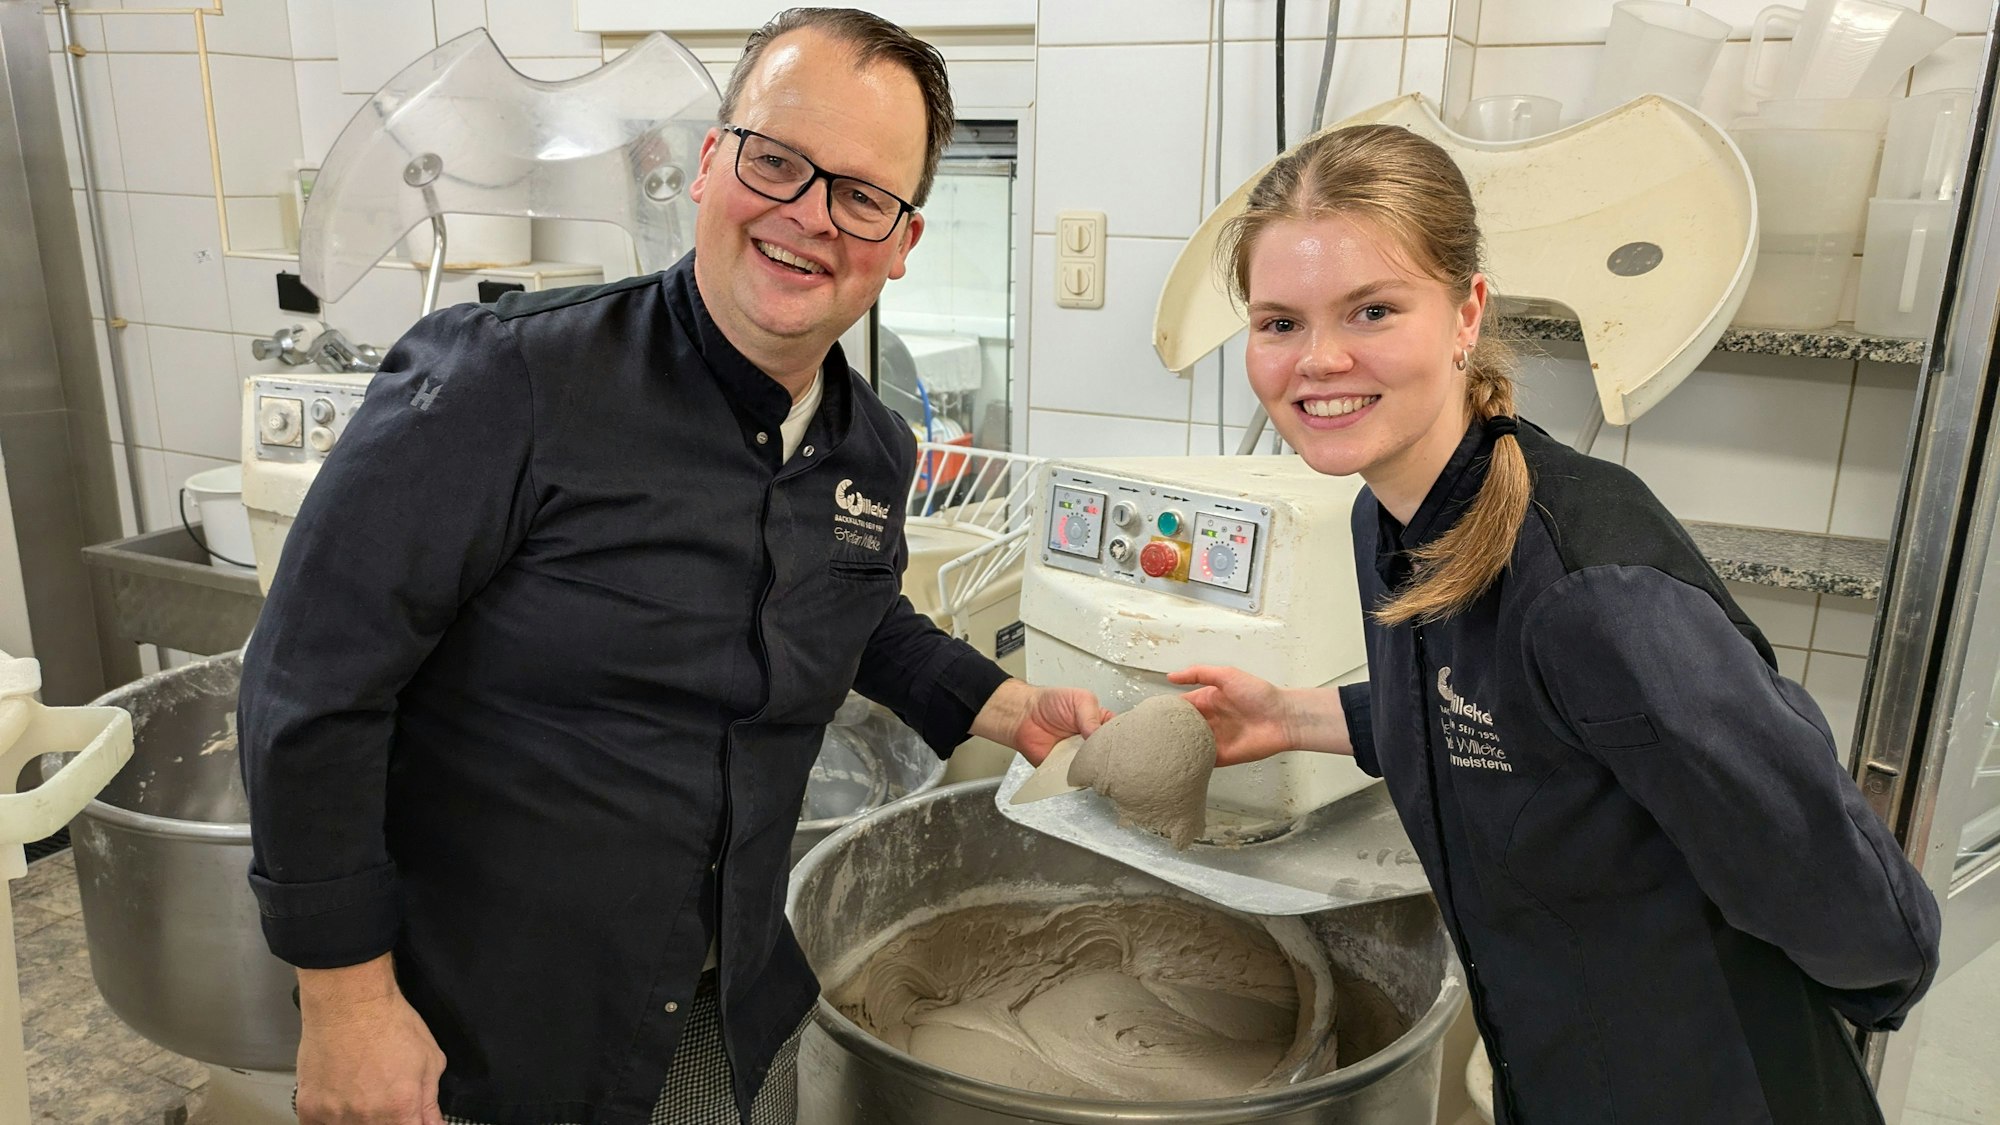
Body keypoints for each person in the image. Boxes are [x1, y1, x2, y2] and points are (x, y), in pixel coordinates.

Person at [238, 10, 1107, 1125]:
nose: (807, 217)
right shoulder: (508, 383)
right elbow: (308, 687)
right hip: (483, 1031)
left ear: (901, 242)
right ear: (709, 164)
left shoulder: (870, 450)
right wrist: (345, 999)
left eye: (860, 195)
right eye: (777, 162)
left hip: (716, 1005)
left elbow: (849, 604)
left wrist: (1005, 703)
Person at [1168, 124, 1941, 1124]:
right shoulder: (1385, 518)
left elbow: (1839, 889)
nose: (1317, 360)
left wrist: (1850, 1000)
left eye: (1370, 309)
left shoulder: (1591, 592)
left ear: (1464, 313)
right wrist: (1295, 715)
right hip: (1557, 1067)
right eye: (1277, 322)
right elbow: (1498, 713)